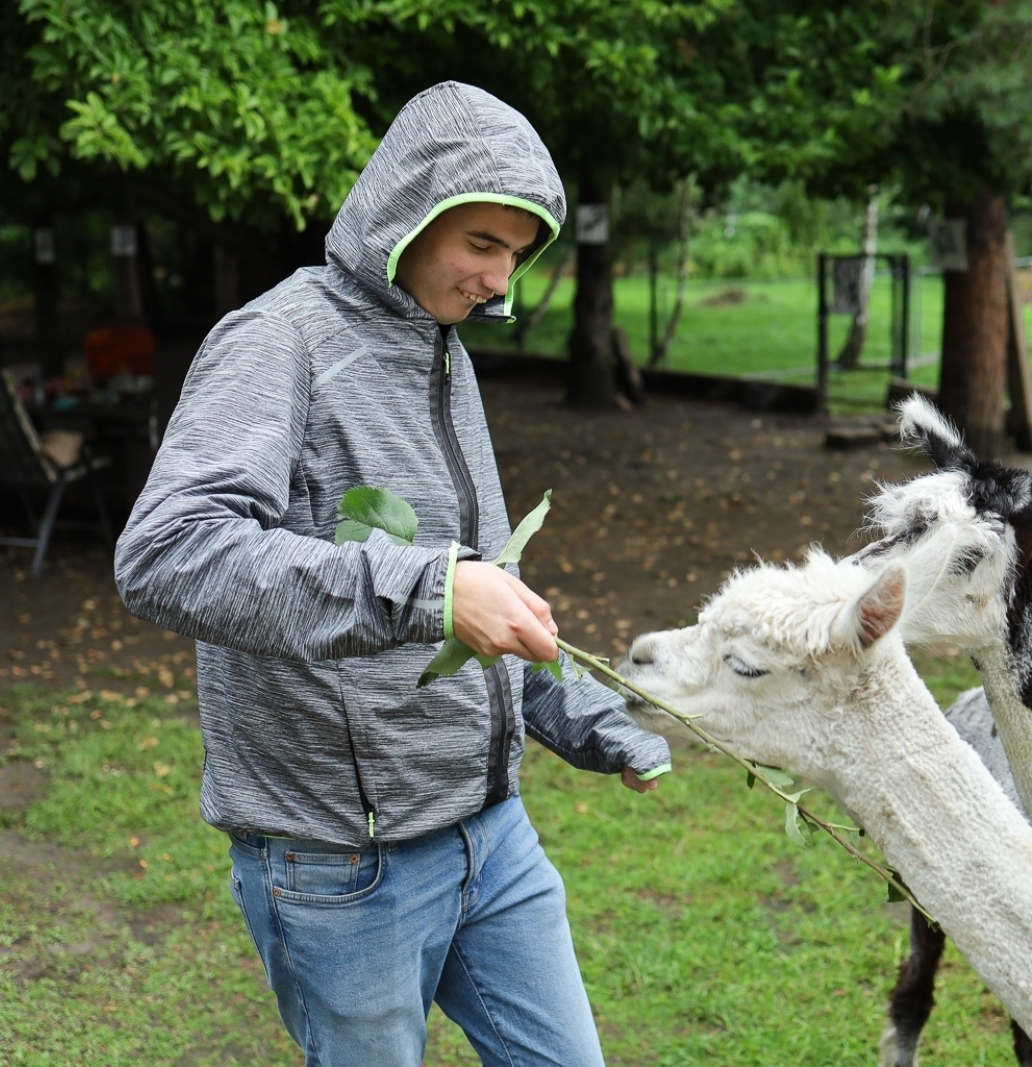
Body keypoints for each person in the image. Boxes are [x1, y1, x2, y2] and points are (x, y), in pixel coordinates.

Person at [114, 82, 671, 1067]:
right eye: (481, 245)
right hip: (343, 867)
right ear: (405, 215)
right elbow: (169, 550)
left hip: (492, 838)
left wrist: (580, 714)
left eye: (516, 253)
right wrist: (422, 588)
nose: (499, 280)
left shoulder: (441, 350)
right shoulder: (275, 341)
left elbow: (482, 585)